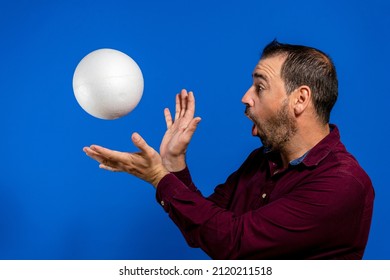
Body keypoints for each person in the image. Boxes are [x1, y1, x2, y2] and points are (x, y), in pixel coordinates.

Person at [83, 40, 374, 259]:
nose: (246, 97)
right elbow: (207, 227)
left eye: (260, 87)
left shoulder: (342, 183)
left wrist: (160, 178)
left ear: (300, 99)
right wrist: (173, 163)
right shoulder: (262, 161)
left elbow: (233, 242)